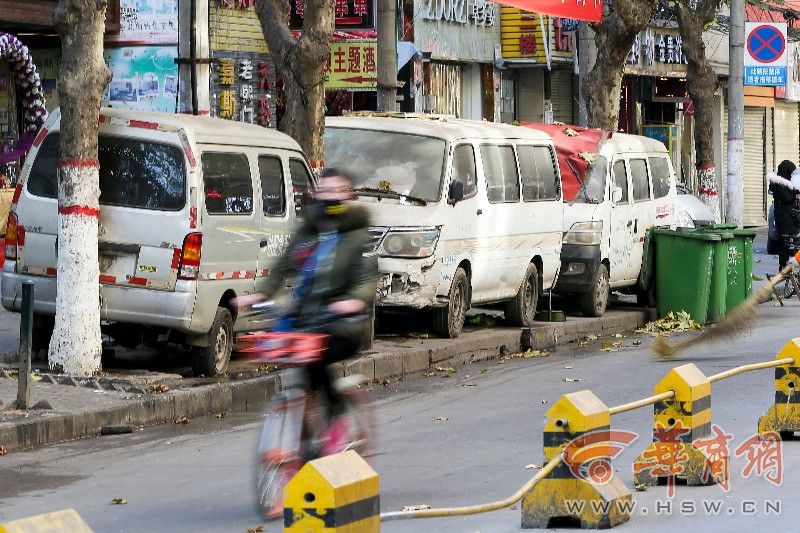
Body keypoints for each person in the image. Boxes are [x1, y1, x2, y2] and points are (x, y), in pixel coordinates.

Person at [240, 168, 377, 451]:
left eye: (337, 191)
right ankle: (306, 435)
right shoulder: (308, 230)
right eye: (324, 191)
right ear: (315, 195)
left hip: (343, 325)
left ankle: (339, 422)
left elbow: (366, 277)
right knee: (297, 358)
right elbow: (283, 266)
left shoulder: (359, 236)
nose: (330, 197)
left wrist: (354, 300)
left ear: (349, 196)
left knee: (316, 360)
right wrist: (263, 294)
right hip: (306, 321)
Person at [768, 160, 800, 270]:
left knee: (789, 243)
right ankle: (783, 266)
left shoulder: (784, 184)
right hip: (785, 220)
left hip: (788, 218)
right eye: (791, 173)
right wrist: (794, 194)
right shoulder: (778, 184)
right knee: (786, 243)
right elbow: (787, 198)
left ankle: (787, 266)